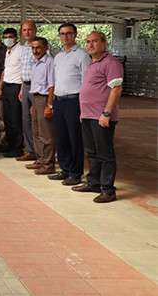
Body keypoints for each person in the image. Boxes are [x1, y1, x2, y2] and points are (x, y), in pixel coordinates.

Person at [73, 31, 123, 203]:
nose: (90, 45)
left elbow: (116, 89)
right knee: (91, 151)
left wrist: (106, 113)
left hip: (101, 116)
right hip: (87, 115)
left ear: (104, 43)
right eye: (88, 42)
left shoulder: (111, 63)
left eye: (94, 41)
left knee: (105, 153)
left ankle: (108, 190)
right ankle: (94, 182)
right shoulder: (92, 64)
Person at [50, 23, 91, 186]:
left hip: (74, 100)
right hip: (59, 101)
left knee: (75, 138)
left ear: (75, 35)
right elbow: (55, 81)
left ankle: (75, 172)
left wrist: (83, 104)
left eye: (69, 33)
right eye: (62, 33)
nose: (65, 36)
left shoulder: (82, 55)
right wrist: (51, 102)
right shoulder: (58, 57)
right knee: (61, 137)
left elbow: (86, 82)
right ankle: (65, 169)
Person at [23, 37, 56, 176]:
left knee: (46, 133)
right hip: (35, 98)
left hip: (44, 99)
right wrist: (33, 105)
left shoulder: (49, 62)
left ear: (45, 47)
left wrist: (49, 105)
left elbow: (52, 85)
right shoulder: (35, 63)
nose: (35, 51)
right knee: (36, 131)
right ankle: (40, 159)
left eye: (38, 48)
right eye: (33, 48)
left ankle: (48, 164)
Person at [0, 27, 23, 158]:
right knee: (7, 118)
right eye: (5, 37)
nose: (8, 39)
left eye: (10, 37)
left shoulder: (21, 50)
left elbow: (24, 71)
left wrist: (22, 89)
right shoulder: (7, 52)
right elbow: (5, 71)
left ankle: (17, 147)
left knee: (15, 119)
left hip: (16, 86)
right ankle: (10, 144)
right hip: (7, 86)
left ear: (16, 37)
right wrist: (0, 87)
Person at [18, 20, 38, 162]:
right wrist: (21, 89)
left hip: (37, 87)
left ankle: (41, 153)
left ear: (35, 30)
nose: (27, 32)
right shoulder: (24, 48)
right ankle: (29, 150)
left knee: (38, 120)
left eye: (29, 30)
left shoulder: (40, 46)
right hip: (25, 86)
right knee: (25, 119)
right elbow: (22, 69)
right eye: (24, 30)